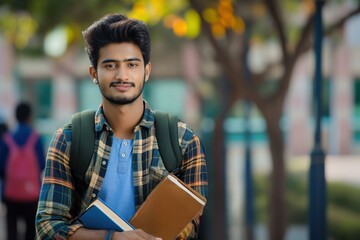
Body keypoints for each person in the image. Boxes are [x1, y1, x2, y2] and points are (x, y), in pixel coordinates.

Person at [35, 13, 208, 240]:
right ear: (93, 73)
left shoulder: (182, 139)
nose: (122, 75)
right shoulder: (68, 139)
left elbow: (192, 220)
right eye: (110, 65)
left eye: (132, 64)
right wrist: (111, 237)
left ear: (146, 71)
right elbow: (47, 227)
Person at [0, 102, 45, 240]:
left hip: (10, 193)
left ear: (15, 116)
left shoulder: (7, 139)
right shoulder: (35, 138)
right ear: (29, 117)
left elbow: (1, 167)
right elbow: (42, 164)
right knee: (30, 231)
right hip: (31, 193)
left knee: (11, 230)